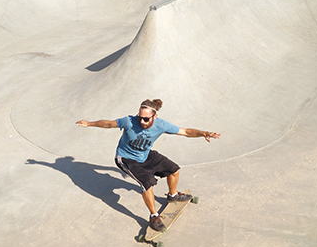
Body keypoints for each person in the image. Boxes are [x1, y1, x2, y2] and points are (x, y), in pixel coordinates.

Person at [76, 98, 220, 229]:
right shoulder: (129, 121)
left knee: (174, 169)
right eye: (140, 118)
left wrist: (204, 133)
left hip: (145, 155)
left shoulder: (161, 125)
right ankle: (153, 216)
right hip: (126, 159)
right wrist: (89, 123)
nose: (142, 122)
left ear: (154, 116)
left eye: (146, 119)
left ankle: (173, 195)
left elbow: (185, 131)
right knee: (147, 183)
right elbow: (108, 124)